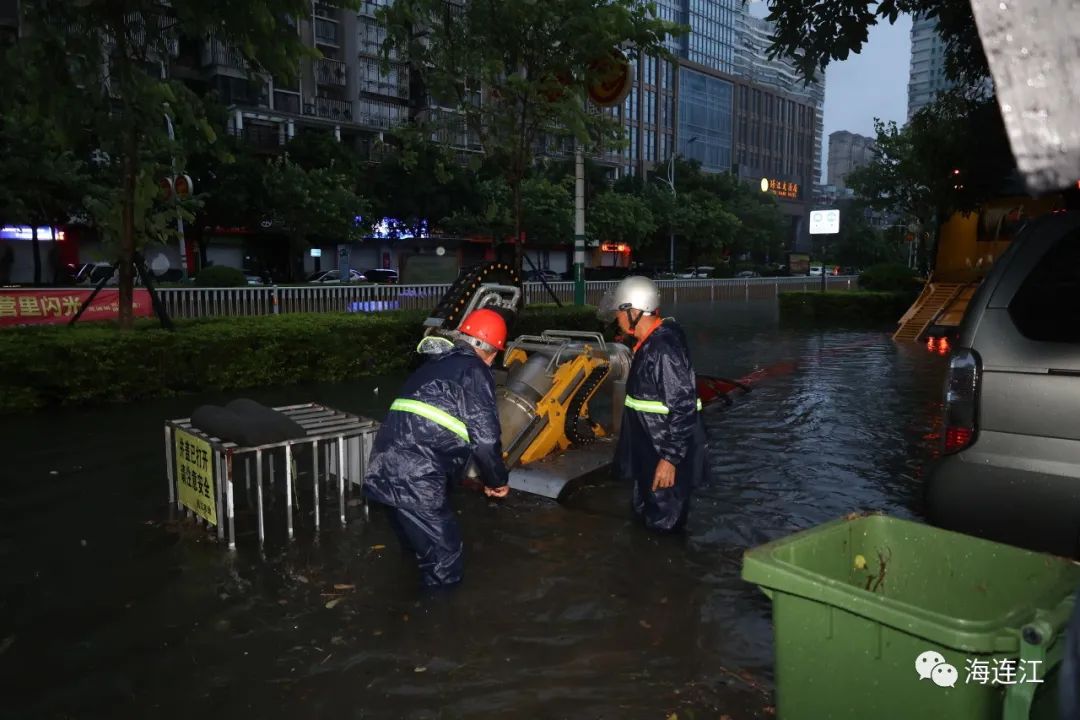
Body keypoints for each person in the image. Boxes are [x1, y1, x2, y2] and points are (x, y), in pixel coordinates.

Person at [362, 308, 510, 588]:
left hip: (383, 470)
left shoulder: (433, 365)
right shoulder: (474, 370)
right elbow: (486, 438)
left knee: (415, 552)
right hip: (417, 480)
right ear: (491, 351)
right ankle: (437, 625)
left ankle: (403, 610)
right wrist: (497, 481)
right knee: (446, 561)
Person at [599, 276, 707, 532]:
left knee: (664, 527)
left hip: (663, 459)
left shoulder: (663, 350)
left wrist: (669, 459)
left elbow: (683, 407)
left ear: (634, 312)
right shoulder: (651, 342)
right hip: (649, 453)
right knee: (644, 521)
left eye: (620, 312)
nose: (617, 317)